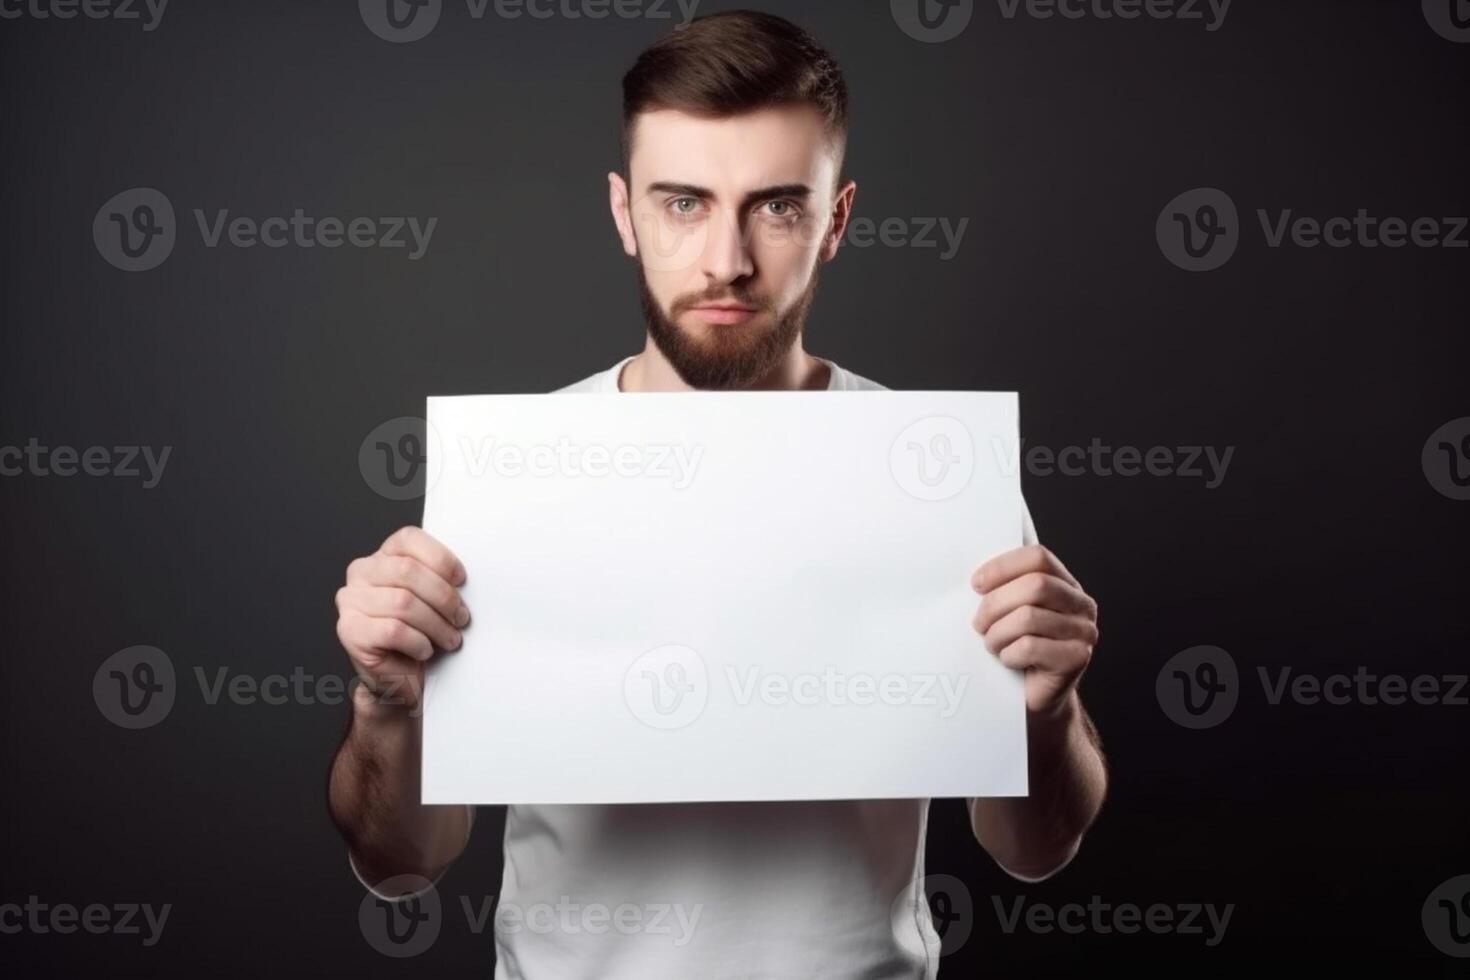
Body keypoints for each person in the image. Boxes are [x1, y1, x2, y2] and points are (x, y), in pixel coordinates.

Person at [329, 10, 1106, 978]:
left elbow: (1035, 849)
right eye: (683, 202)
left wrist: (1050, 708)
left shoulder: (931, 472)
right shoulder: (518, 477)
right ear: (625, 213)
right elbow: (400, 860)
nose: (727, 260)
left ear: (838, 219)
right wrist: (383, 706)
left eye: (777, 205)